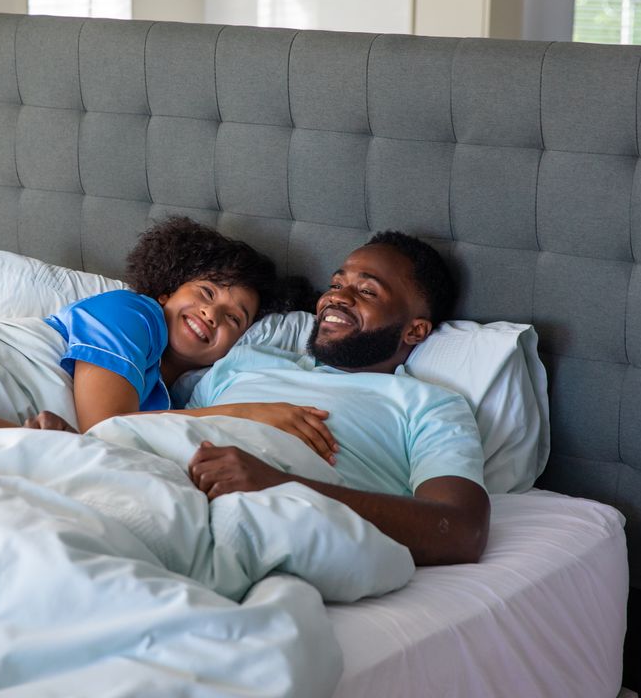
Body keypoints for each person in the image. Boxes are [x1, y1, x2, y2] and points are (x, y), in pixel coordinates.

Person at [185, 232, 490, 566]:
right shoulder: (243, 361)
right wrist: (243, 412)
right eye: (335, 284)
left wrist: (280, 487)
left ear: (415, 331)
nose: (336, 298)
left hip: (250, 526)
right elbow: (153, 431)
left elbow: (462, 531)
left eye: (367, 291)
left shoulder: (428, 405)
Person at [0, 217, 338, 461]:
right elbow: (108, 428)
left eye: (234, 318)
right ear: (165, 293)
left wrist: (19, 437)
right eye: (206, 292)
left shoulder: (175, 397)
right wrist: (247, 413)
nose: (211, 314)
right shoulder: (133, 313)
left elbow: (105, 448)